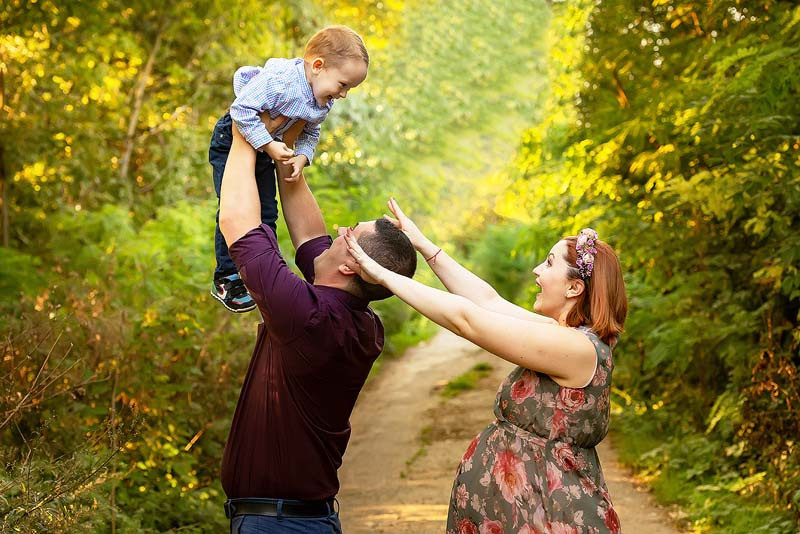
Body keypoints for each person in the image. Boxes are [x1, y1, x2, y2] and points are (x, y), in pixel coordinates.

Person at [344, 199, 628, 534]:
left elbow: (467, 320)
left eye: (549, 263)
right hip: (530, 513)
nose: (537, 270)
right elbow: (486, 301)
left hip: (549, 516)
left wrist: (382, 274)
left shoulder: (576, 348)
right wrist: (423, 244)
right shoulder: (563, 335)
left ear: (574, 287)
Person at [216, 115, 416, 533]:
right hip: (297, 519)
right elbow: (309, 235)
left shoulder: (309, 318)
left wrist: (244, 129)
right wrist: (286, 149)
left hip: (278, 525)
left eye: (350, 234)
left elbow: (237, 223)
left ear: (350, 266)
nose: (339, 230)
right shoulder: (357, 320)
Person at [210, 25, 370, 312]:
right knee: (234, 207)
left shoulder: (322, 100)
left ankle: (260, 268)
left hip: (267, 146)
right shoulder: (280, 82)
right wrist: (269, 145)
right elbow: (241, 110)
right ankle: (227, 277)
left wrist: (302, 157)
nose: (344, 94)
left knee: (265, 213)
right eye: (343, 85)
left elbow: (311, 132)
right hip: (233, 139)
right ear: (318, 66)